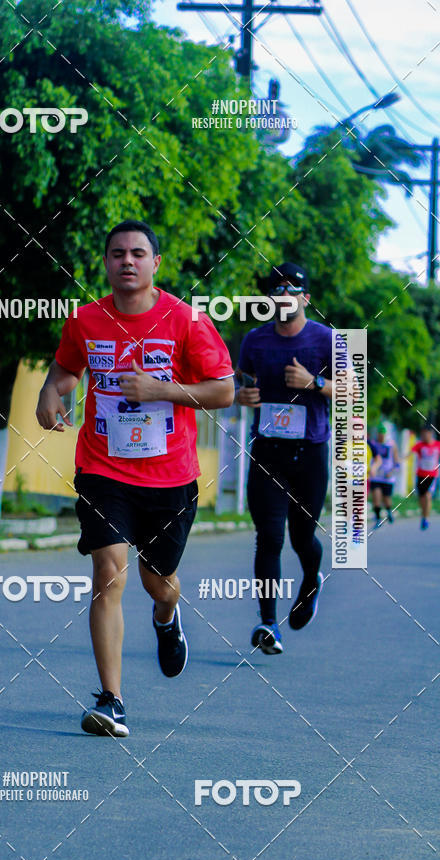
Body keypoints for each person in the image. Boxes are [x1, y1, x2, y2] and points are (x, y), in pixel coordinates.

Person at [36, 220, 235, 736]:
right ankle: (112, 700)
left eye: (138, 253)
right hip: (103, 468)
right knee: (109, 573)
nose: (128, 260)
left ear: (155, 264)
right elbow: (65, 370)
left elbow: (223, 391)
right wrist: (49, 393)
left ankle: (167, 618)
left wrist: (162, 391)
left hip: (170, 476)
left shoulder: (186, 321)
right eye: (118, 253)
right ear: (106, 262)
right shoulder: (85, 320)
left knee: (158, 583)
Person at [235, 262, 332, 655]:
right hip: (268, 452)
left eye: (293, 290)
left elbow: (354, 389)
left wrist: (315, 383)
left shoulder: (326, 339)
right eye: (278, 289)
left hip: (309, 453)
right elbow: (239, 380)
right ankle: (268, 623)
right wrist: (242, 394)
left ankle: (311, 579)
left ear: (305, 298)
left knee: (301, 536)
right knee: (269, 537)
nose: (285, 296)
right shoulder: (255, 341)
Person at [408, 425, 440, 530]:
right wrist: (400, 459)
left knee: (427, 496)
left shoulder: (437, 445)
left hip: (432, 476)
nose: (423, 435)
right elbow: (410, 453)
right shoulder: (420, 445)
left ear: (430, 433)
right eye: (422, 433)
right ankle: (423, 515)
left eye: (425, 433)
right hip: (420, 475)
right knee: (421, 498)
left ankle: (426, 518)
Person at [368, 425, 400, 527]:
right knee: (376, 497)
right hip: (376, 476)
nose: (381, 436)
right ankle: (377, 519)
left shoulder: (391, 445)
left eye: (383, 434)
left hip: (387, 477)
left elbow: (396, 461)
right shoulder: (373, 444)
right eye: (380, 434)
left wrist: (392, 471)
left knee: (386, 499)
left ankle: (389, 510)